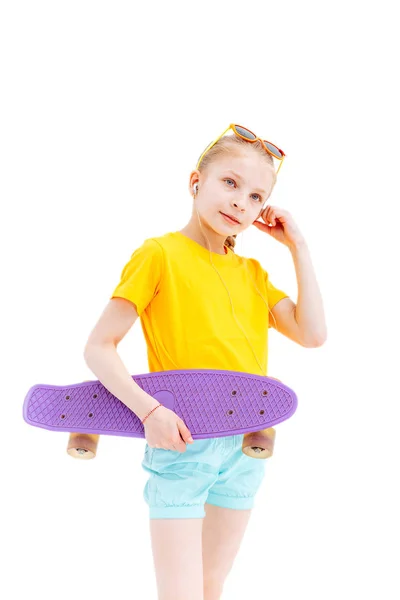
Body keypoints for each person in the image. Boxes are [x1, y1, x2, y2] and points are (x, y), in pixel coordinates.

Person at [83, 124, 327, 600]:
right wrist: (149, 413)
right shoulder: (159, 255)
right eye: (230, 183)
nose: (241, 202)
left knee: (210, 587)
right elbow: (98, 346)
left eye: (257, 196)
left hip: (245, 448)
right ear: (196, 182)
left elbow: (313, 334)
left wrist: (299, 245)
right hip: (181, 443)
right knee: (180, 593)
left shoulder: (253, 274)